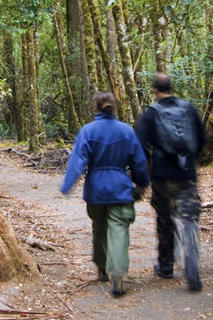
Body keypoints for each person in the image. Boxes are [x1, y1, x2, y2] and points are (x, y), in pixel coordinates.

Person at [61, 92, 149, 298]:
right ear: (115, 108)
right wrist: (142, 182)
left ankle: (101, 268)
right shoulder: (126, 131)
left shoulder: (88, 131)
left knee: (99, 229)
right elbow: (138, 161)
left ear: (96, 109)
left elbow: (78, 161)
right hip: (120, 189)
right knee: (119, 230)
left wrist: (67, 185)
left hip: (96, 191)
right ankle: (117, 274)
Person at [135, 72, 207, 291]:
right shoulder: (189, 109)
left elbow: (138, 144)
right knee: (188, 218)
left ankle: (166, 265)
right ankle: (192, 266)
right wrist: (191, 160)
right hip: (186, 174)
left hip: (162, 175)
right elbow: (202, 138)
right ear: (172, 88)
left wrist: (142, 175)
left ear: (154, 90)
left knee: (165, 219)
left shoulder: (151, 114)